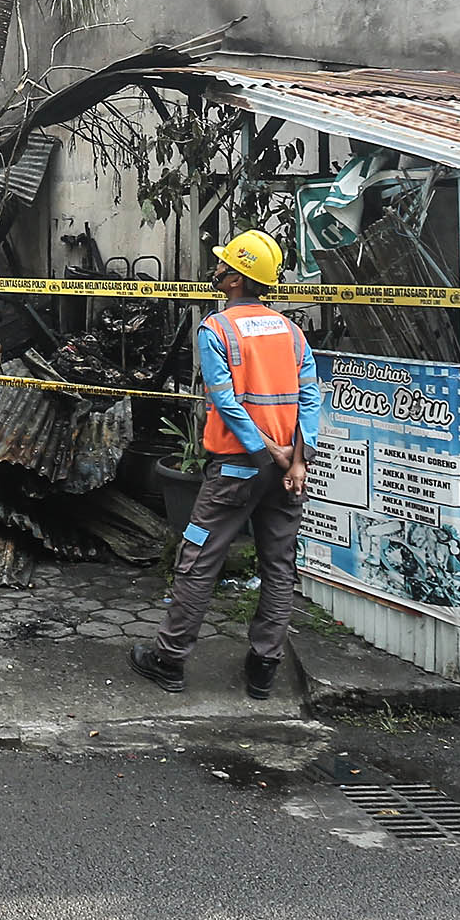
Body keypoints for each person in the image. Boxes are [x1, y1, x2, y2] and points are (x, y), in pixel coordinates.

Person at [131, 230, 317, 703]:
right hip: (286, 474)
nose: (216, 271)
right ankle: (263, 670)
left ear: (236, 279)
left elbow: (227, 402)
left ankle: (169, 660)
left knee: (198, 560)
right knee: (279, 566)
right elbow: (311, 397)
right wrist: (298, 459)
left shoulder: (217, 330)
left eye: (223, 266)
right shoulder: (291, 332)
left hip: (237, 467)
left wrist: (263, 452)